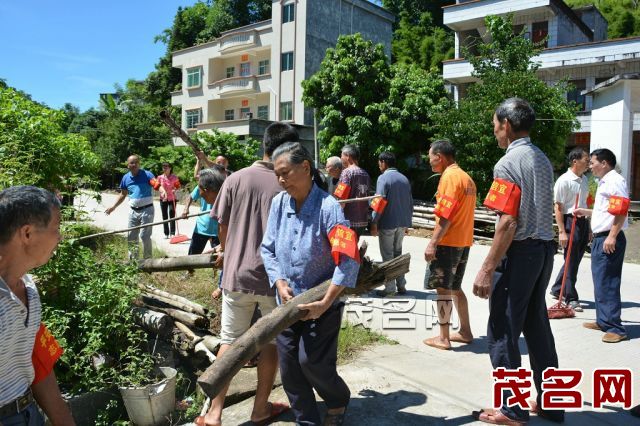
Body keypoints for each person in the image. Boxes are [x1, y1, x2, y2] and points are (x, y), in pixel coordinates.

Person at [196, 122, 298, 426]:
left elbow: (222, 225)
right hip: (274, 279)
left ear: (263, 144)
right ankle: (259, 409)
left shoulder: (235, 179)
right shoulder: (288, 182)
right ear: (287, 150)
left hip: (236, 275)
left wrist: (228, 255)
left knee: (229, 341)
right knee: (269, 343)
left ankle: (214, 414)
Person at [472, 98, 564, 424]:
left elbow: (508, 222)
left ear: (507, 126)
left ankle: (513, 409)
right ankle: (552, 403)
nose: (495, 132)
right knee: (536, 327)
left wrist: (486, 268)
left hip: (521, 253)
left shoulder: (507, 164)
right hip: (544, 250)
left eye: (496, 126)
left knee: (501, 328)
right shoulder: (541, 158)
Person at [261, 142, 359, 426]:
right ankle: (307, 421)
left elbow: (348, 258)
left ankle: (338, 399)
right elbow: (267, 249)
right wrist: (279, 281)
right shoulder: (279, 203)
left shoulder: (329, 208)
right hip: (287, 303)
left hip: (322, 303)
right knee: (290, 368)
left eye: (285, 173)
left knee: (312, 362)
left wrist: (325, 301)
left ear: (305, 168)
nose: (281, 180)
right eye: (277, 175)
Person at [0, 186, 76, 426]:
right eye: (56, 228)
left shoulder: (29, 288)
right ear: (27, 234)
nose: (60, 237)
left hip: (28, 413)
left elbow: (37, 362)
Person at [422, 140, 476, 350]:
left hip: (448, 242)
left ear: (440, 157)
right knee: (455, 288)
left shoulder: (450, 177)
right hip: (463, 241)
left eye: (431, 158)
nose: (430, 163)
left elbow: (446, 215)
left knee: (442, 290)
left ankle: (443, 337)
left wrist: (432, 243)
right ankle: (465, 331)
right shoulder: (466, 178)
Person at [574, 148, 629, 343]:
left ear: (604, 163)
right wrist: (585, 212)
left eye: (593, 162)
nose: (590, 166)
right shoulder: (604, 182)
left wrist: (612, 236)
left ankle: (616, 328)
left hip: (608, 238)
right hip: (600, 237)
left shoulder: (615, 181)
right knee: (600, 282)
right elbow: (606, 212)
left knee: (608, 283)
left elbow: (621, 211)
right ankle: (603, 320)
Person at [548, 147, 590, 312]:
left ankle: (558, 288)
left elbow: (586, 204)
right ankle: (571, 297)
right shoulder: (564, 180)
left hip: (582, 222)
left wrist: (590, 227)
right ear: (575, 161)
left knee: (574, 260)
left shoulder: (585, 180)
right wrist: (562, 231)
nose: (588, 163)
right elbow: (558, 207)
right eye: (585, 159)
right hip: (569, 221)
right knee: (571, 261)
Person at [369, 151, 413, 297]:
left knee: (387, 256)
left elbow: (379, 201)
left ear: (383, 162)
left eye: (379, 162)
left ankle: (389, 288)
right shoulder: (404, 179)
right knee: (398, 254)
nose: (378, 165)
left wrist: (374, 221)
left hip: (387, 222)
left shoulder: (383, 178)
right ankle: (401, 285)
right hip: (402, 222)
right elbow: (409, 203)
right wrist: (408, 222)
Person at [105, 155, 156, 260]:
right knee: (131, 236)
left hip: (147, 210)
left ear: (139, 164)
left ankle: (148, 261)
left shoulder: (147, 175)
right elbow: (123, 194)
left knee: (144, 236)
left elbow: (157, 184)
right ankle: (133, 263)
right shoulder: (126, 178)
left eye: (136, 162)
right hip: (133, 211)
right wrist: (113, 207)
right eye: (131, 163)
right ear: (128, 165)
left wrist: (163, 191)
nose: (134, 165)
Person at [181, 166, 224, 280]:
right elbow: (191, 196)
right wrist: (186, 209)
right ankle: (189, 272)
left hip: (217, 229)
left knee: (218, 255)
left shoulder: (224, 190)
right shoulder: (202, 185)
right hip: (202, 226)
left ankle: (218, 278)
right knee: (193, 253)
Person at [336, 144, 370, 238]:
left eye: (342, 155)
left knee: (346, 251)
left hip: (348, 221)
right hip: (362, 220)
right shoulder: (365, 174)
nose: (341, 158)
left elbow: (341, 197)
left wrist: (337, 217)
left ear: (348, 156)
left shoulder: (346, 172)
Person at [157, 162, 180, 239]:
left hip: (172, 198)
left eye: (166, 167)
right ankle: (166, 232)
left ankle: (172, 233)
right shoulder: (160, 177)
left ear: (170, 168)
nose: (164, 168)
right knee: (165, 215)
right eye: (163, 167)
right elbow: (157, 187)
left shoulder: (174, 177)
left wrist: (175, 189)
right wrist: (161, 192)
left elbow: (178, 186)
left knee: (172, 214)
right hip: (163, 199)